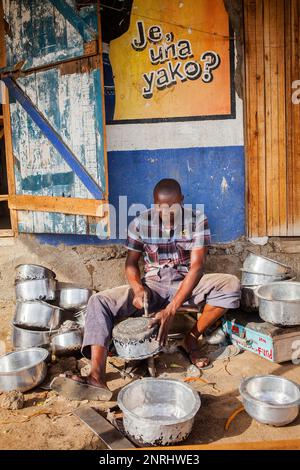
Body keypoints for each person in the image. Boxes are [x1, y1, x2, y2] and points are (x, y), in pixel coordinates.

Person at [66, 179, 241, 399]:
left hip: (186, 282)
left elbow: (197, 268)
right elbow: (131, 263)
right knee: (99, 301)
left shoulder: (197, 220)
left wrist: (171, 309)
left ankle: (191, 338)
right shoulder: (140, 223)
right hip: (153, 285)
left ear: (182, 202)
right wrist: (138, 288)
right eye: (160, 207)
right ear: (154, 204)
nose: (166, 212)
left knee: (231, 285)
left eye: (173, 207)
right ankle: (97, 376)